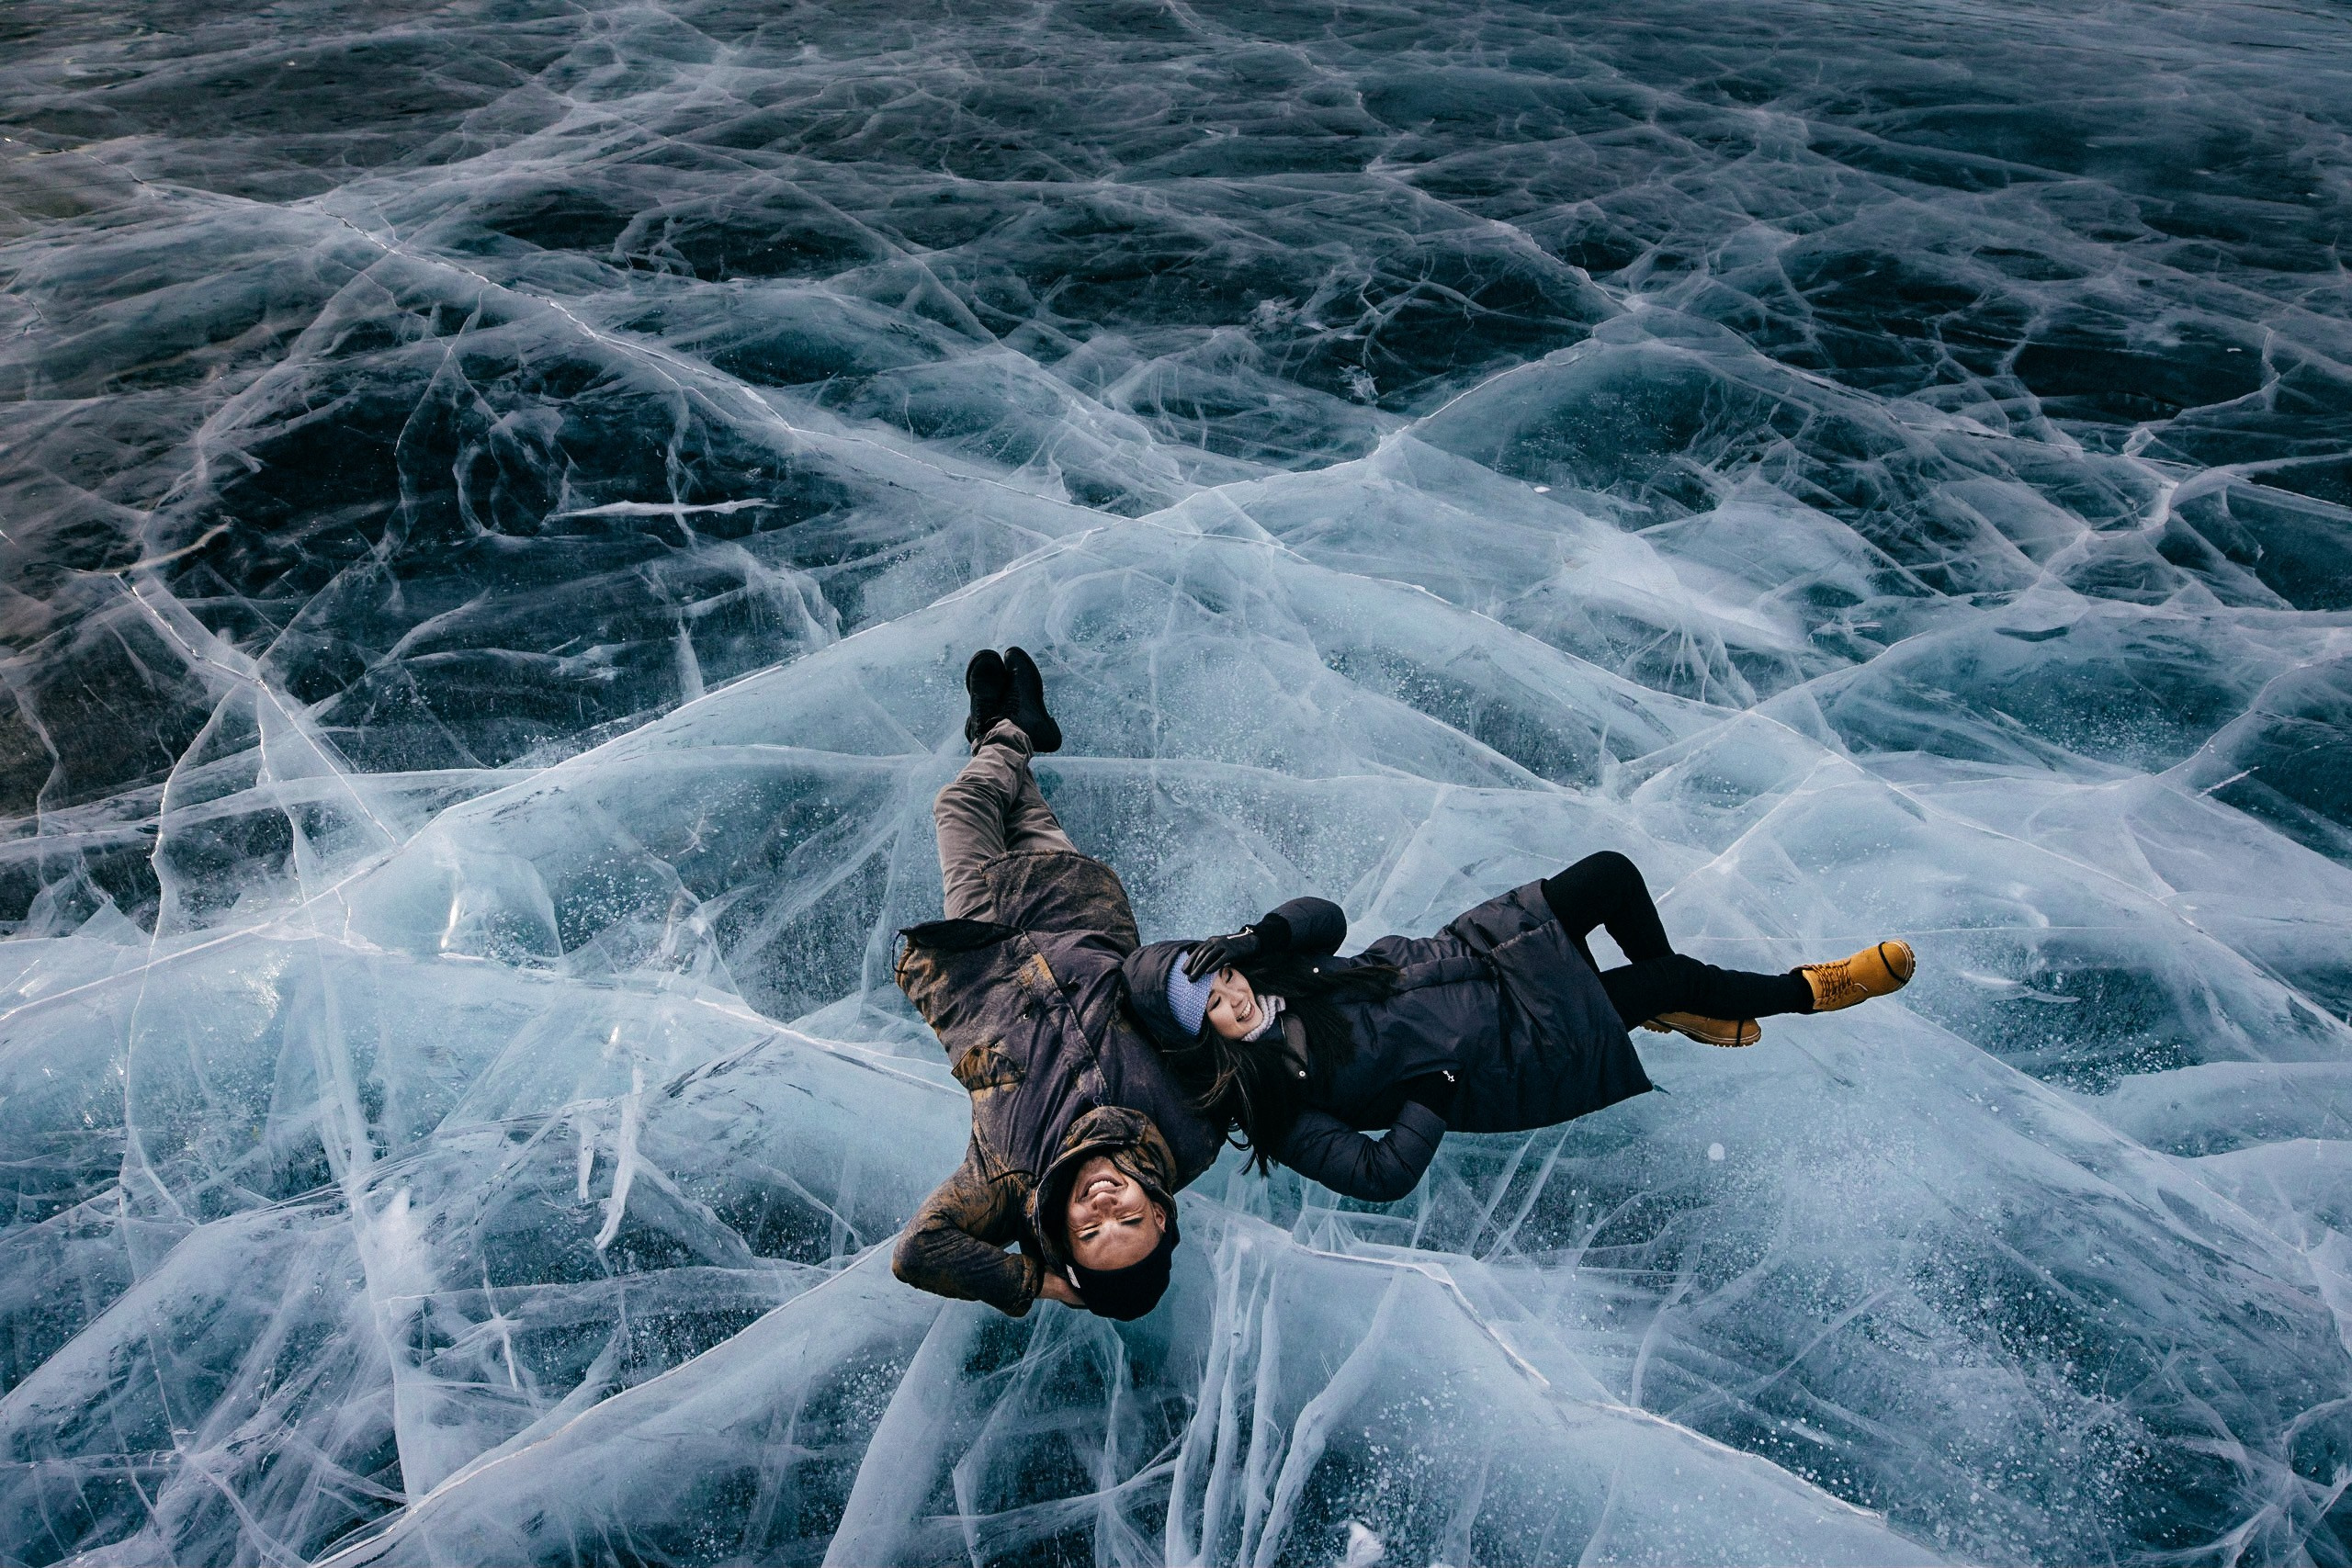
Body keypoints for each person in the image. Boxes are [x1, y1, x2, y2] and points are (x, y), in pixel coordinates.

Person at [1121, 852, 1915, 1201]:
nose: (1233, 997)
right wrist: (1434, 1088)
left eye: (1223, 976)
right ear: (1205, 1037)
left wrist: (1258, 939)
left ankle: (1675, 1005)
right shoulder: (1279, 1103)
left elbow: (1327, 917)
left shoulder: (1276, 970)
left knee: (1610, 874)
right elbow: (1377, 1174)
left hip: (1481, 953)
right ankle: (1814, 988)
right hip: (1513, 1047)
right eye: (1213, 1005)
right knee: (1664, 978)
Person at [891, 648, 1225, 1320]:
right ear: (1160, 1212)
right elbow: (1240, 1042)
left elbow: (918, 1252)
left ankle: (1008, 731)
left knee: (962, 804)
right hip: (1076, 917)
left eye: (1091, 1234)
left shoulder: (1007, 1182)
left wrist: (1035, 1282)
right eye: (1128, 1221)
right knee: (1018, 809)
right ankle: (1007, 732)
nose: (1104, 1208)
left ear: (1064, 1240)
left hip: (981, 953)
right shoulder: (1194, 1129)